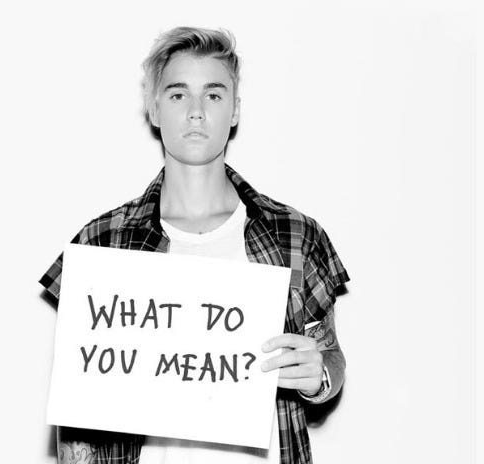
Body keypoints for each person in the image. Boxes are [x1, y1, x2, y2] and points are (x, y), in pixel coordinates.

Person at [39, 26, 350, 464]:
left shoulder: (295, 234)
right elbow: (78, 419)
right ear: (154, 108)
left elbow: (331, 354)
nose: (197, 112)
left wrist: (320, 376)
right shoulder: (102, 243)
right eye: (178, 94)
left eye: (214, 95)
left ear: (235, 109)